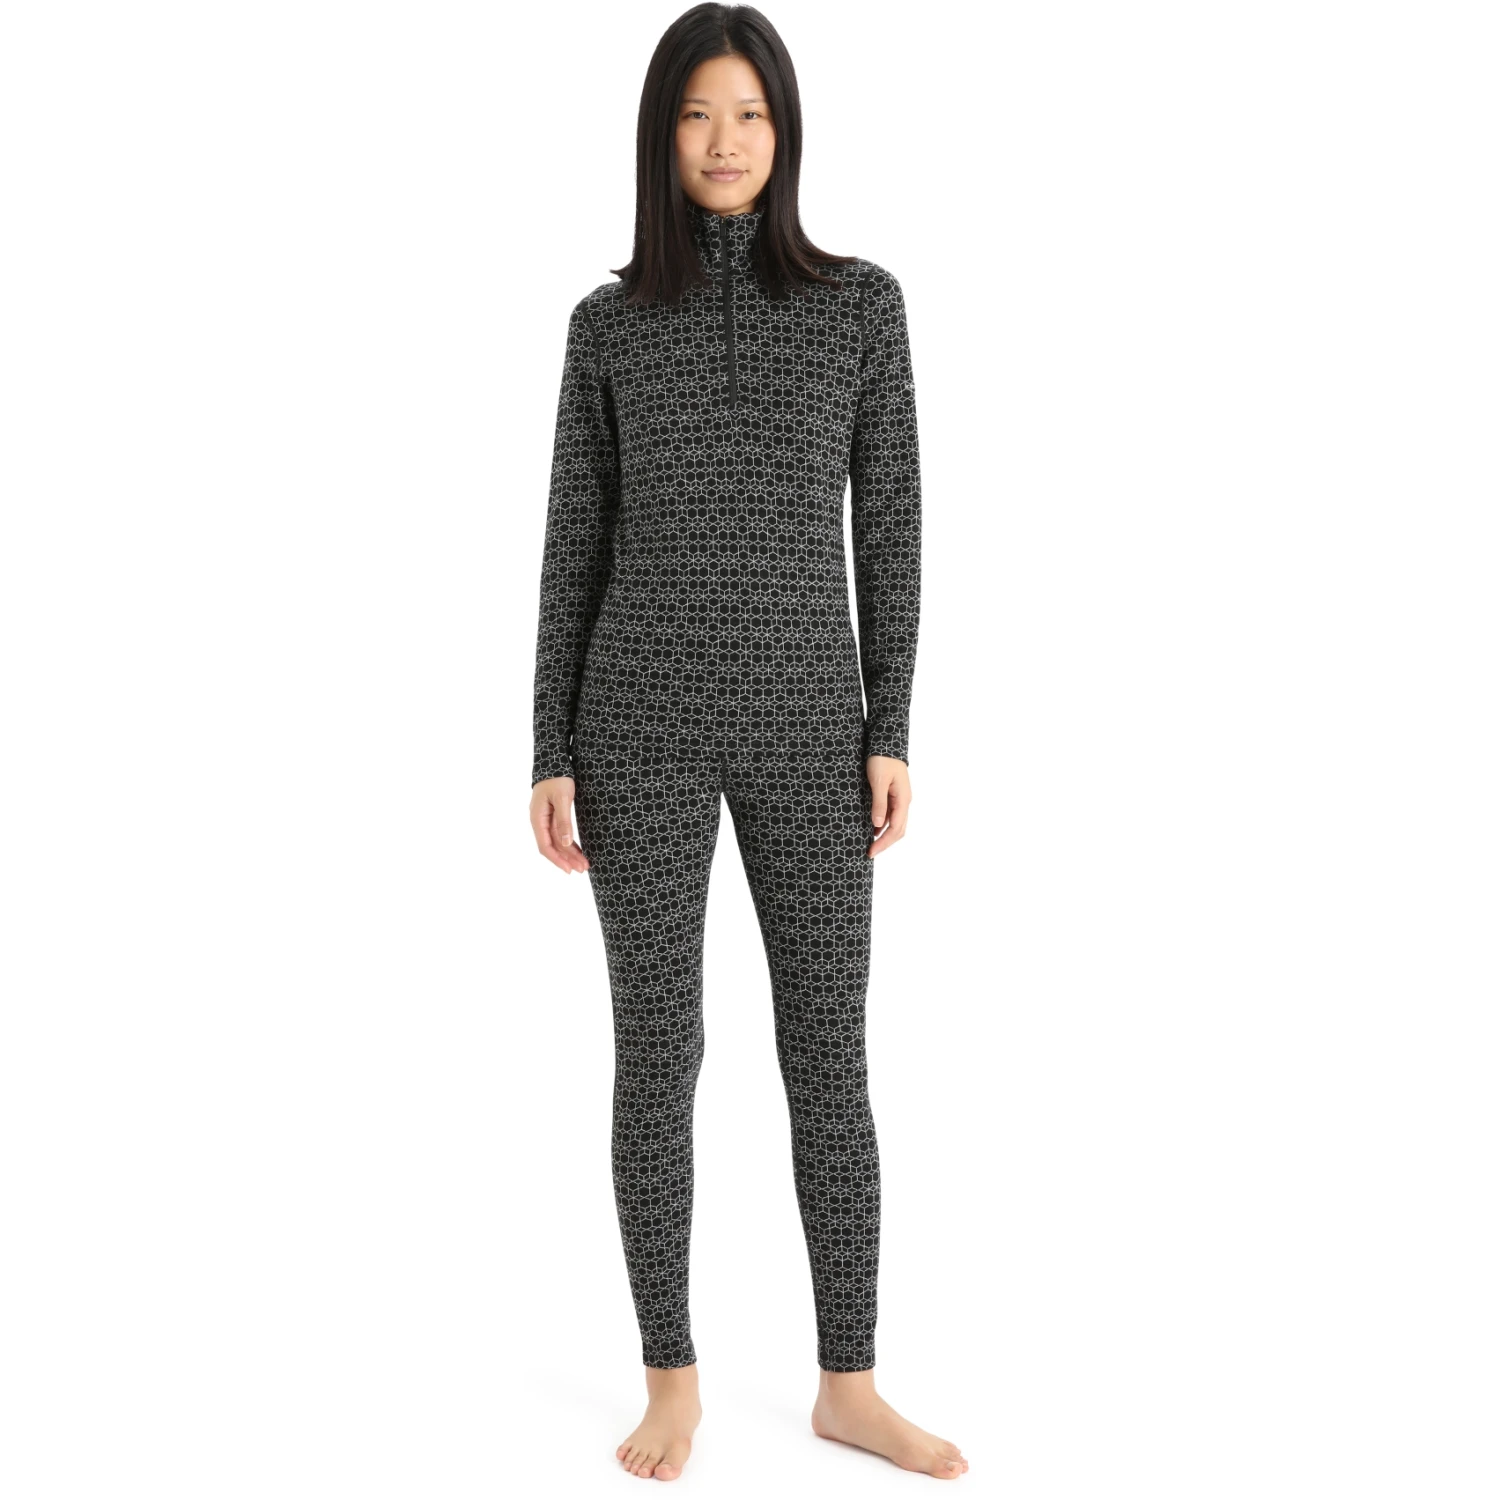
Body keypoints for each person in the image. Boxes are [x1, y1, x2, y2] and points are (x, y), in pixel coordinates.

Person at [527, 3, 965, 1482]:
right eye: (698, 114)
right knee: (658, 1055)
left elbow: (890, 527)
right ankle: (673, 1379)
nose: (725, 142)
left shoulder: (860, 307)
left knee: (828, 1057)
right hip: (635, 726)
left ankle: (850, 1382)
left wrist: (892, 722)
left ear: (786, 131)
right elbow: (572, 545)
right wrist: (548, 744)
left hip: (809, 730)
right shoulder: (605, 326)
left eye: (752, 114)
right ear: (663, 134)